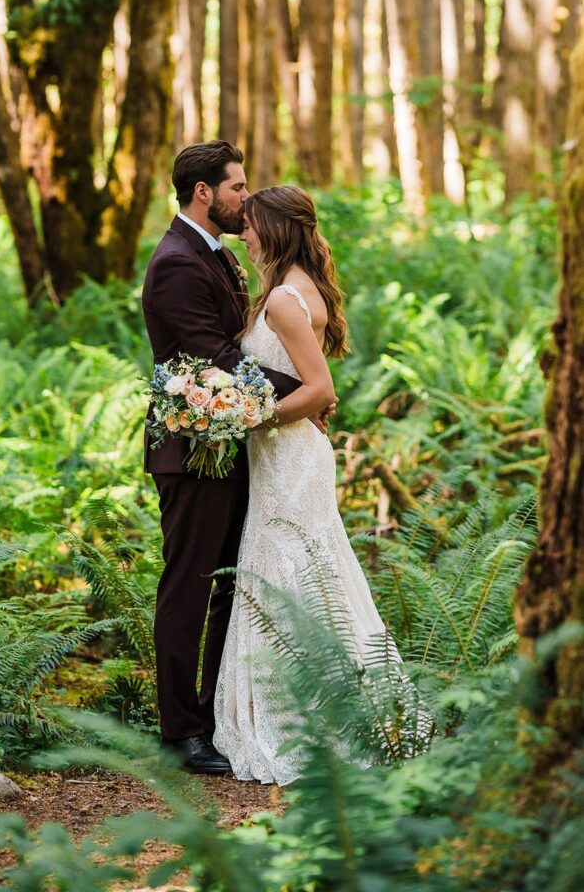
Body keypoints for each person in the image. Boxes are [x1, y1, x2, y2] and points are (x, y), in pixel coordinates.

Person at [142, 143, 331, 775]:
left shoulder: (217, 256)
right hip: (192, 451)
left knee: (233, 585)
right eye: (237, 187)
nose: (244, 198)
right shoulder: (175, 262)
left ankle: (217, 713)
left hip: (236, 444)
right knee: (190, 586)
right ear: (204, 192)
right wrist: (304, 394)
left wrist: (304, 393)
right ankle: (180, 732)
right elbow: (217, 361)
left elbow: (239, 352)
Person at [213, 185, 400, 786]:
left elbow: (318, 389)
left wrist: (249, 417)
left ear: (274, 229)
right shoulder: (296, 287)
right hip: (287, 454)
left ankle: (311, 718)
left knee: (292, 571)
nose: (244, 234)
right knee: (303, 570)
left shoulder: (286, 301)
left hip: (289, 455)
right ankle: (338, 707)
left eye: (251, 226)